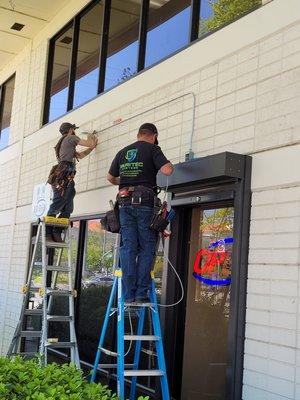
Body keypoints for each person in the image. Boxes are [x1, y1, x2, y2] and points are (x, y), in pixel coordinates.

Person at [107, 123, 173, 303]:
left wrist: (127, 180)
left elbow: (110, 178)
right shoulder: (152, 149)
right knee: (146, 247)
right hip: (144, 202)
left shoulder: (122, 152)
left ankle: (128, 295)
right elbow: (167, 170)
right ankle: (141, 293)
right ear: (154, 135)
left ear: (138, 135)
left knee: (128, 248)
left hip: (124, 202)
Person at [46, 122, 98, 242]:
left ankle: (57, 232)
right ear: (71, 129)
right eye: (74, 129)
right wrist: (91, 135)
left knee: (68, 207)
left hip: (65, 177)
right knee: (58, 203)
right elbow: (89, 142)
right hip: (64, 176)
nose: (75, 131)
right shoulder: (70, 138)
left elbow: (80, 155)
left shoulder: (65, 143)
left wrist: (91, 148)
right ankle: (47, 233)